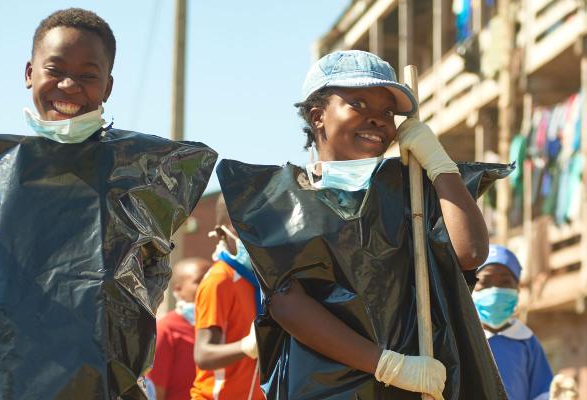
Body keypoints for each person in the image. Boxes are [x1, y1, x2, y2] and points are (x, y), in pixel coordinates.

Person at [0, 7, 215, 399]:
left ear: (107, 86)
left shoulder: (141, 178)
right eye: (55, 69)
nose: (69, 85)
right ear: (29, 73)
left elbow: (140, 301)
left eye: (87, 75)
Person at [220, 50, 495, 399]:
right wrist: (388, 366)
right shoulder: (278, 200)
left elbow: (469, 253)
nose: (378, 119)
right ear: (318, 116)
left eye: (388, 112)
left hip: (413, 389)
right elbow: (287, 304)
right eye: (359, 104)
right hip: (323, 390)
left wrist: (440, 166)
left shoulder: (415, 190)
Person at [191, 196, 263, 400]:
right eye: (241, 226)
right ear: (221, 232)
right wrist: (246, 347)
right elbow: (203, 355)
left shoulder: (257, 281)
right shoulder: (220, 280)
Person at [474, 244, 553, 400]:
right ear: (471, 287)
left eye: (505, 282)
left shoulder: (527, 342)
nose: (495, 290)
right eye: (486, 281)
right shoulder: (460, 339)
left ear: (517, 288)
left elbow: (542, 393)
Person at [148, 257, 212, 400]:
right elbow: (154, 393)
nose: (209, 287)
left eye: (212, 280)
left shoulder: (220, 329)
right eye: (200, 281)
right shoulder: (166, 329)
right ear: (178, 289)